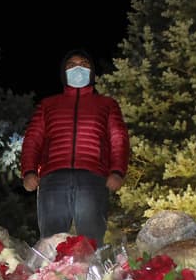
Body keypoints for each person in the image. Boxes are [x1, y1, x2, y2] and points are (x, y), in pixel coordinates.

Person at [20, 49, 130, 246]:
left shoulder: (106, 104)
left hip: (92, 179)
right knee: (51, 243)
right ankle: (49, 277)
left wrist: (117, 171)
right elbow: (33, 139)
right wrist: (28, 171)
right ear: (63, 73)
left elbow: (118, 138)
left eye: (84, 64)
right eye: (71, 65)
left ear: (92, 72)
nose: (78, 68)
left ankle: (92, 277)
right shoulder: (48, 104)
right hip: (53, 179)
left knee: (90, 244)